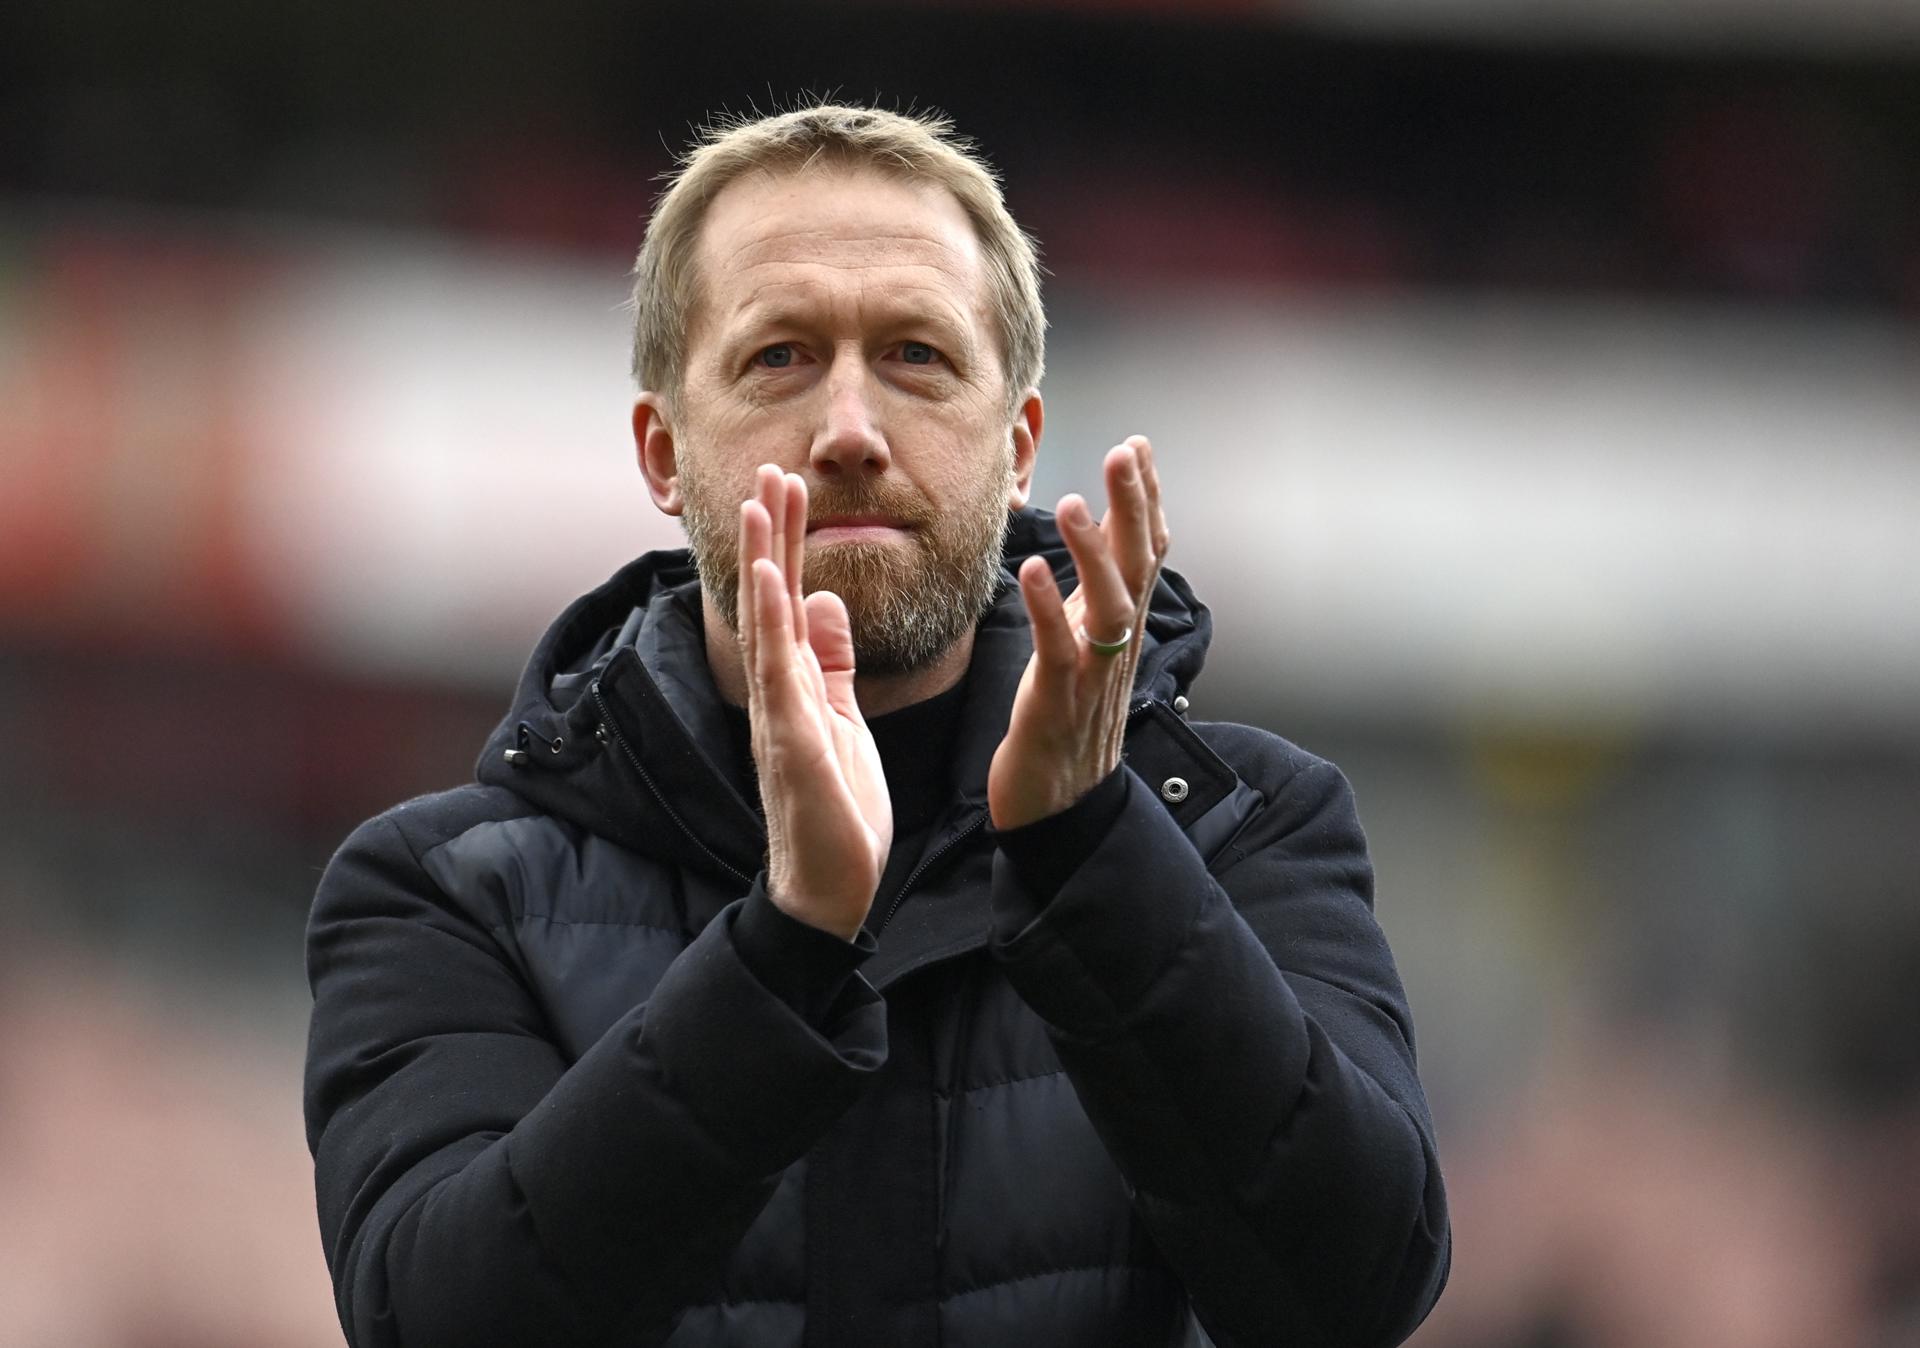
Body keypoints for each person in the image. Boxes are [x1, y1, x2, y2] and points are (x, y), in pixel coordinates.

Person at [303, 103, 1450, 1348]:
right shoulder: (438, 891)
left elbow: (1357, 1290)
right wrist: (784, 953)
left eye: (916, 355)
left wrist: (1092, 856)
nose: (850, 429)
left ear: (1016, 445)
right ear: (665, 452)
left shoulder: (1239, 827)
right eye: (779, 357)